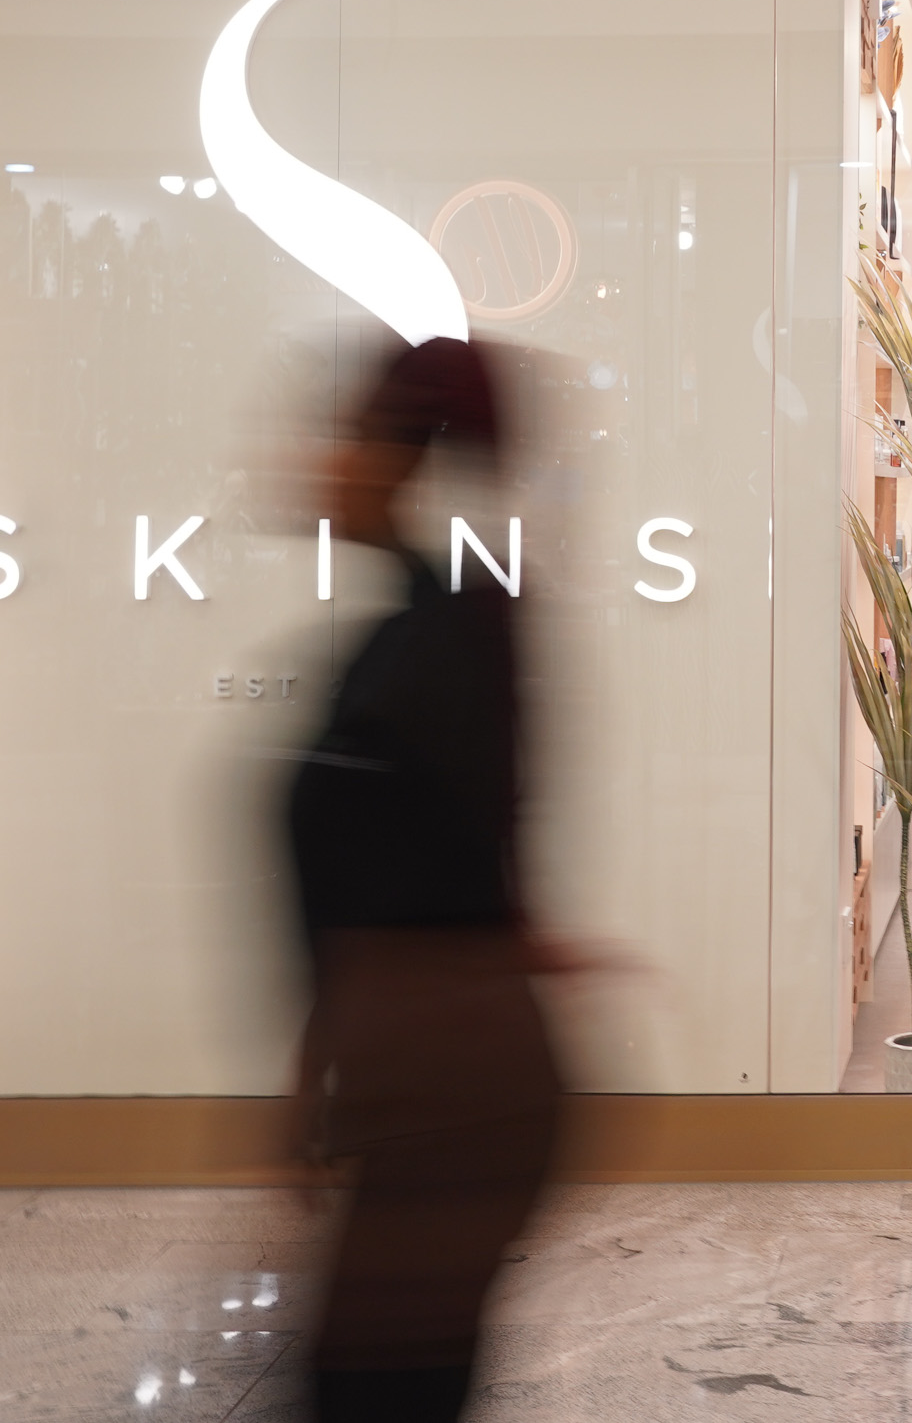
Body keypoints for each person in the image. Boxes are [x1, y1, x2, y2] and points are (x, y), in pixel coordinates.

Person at [286, 337, 565, 1423]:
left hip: (445, 1090)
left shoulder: (447, 640)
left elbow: (447, 868)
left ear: (398, 458)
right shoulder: (420, 632)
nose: (319, 458)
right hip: (423, 1079)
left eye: (345, 434)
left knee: (375, 1383)